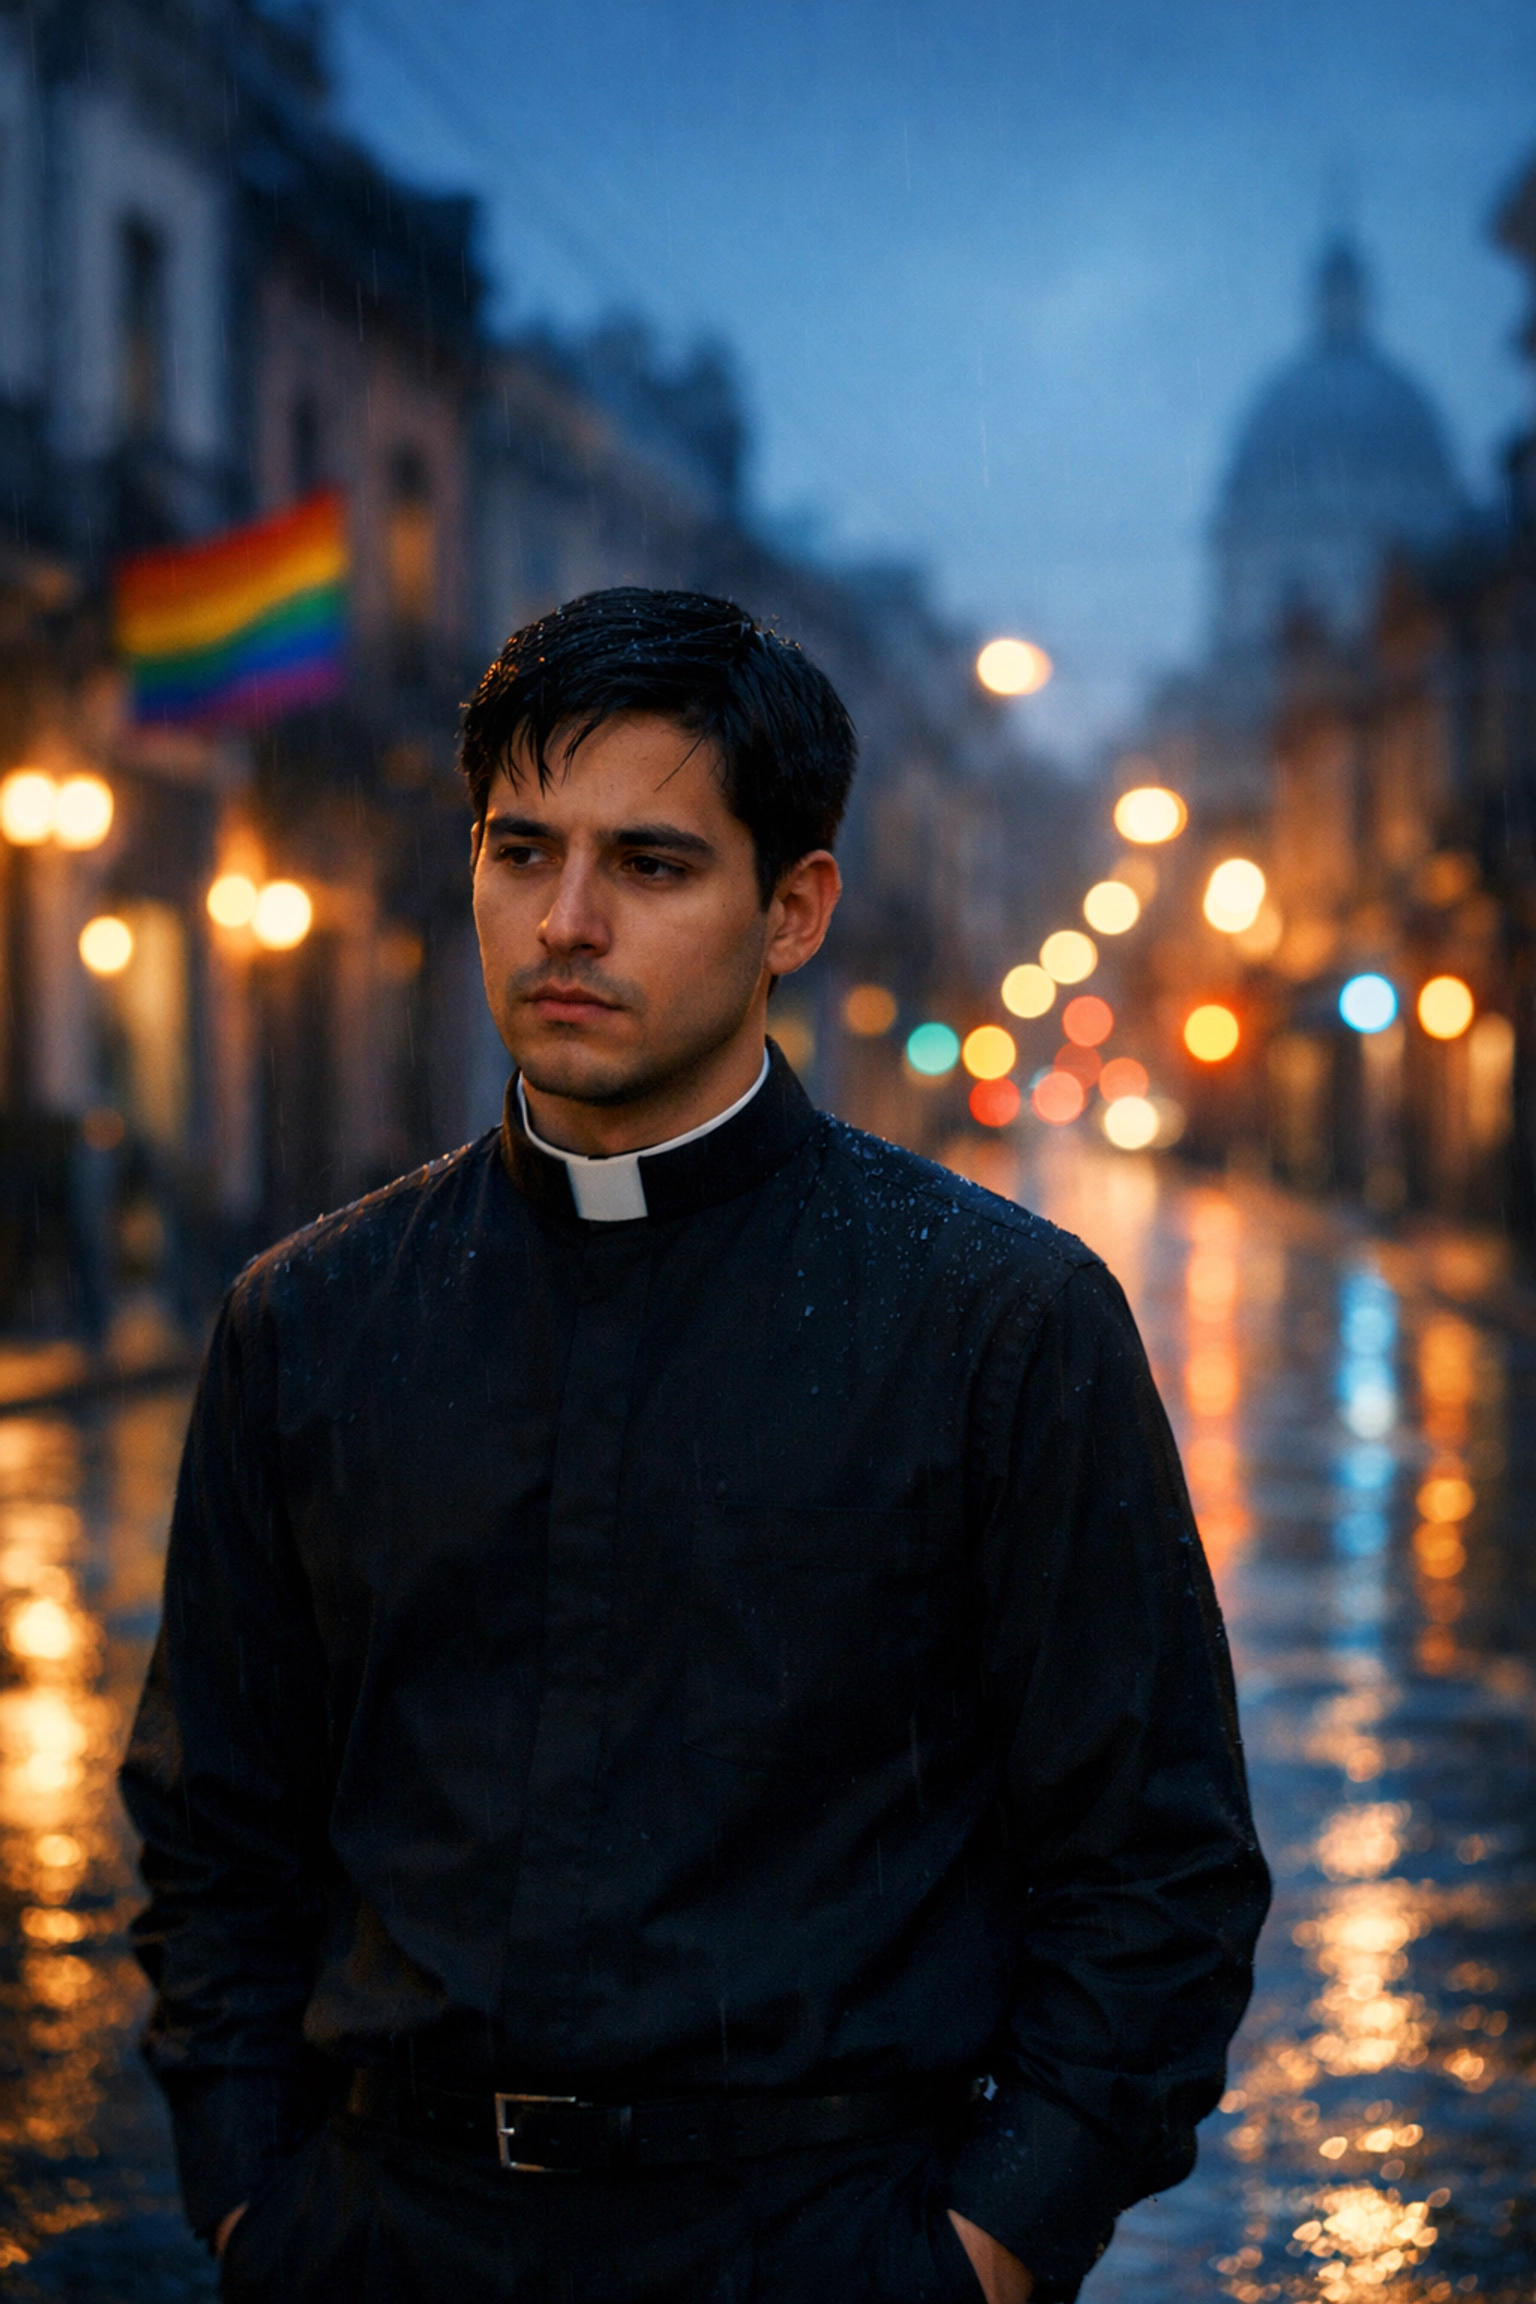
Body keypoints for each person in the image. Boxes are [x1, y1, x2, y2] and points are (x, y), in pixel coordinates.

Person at [122, 587, 1269, 2304]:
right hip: (378, 2240)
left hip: (818, 2239)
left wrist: (979, 2252)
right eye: (523, 852)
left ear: (791, 907)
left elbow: (1154, 1867)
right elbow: (219, 1826)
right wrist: (249, 2197)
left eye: (650, 866)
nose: (565, 922)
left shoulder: (999, 1324)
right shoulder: (309, 1323)